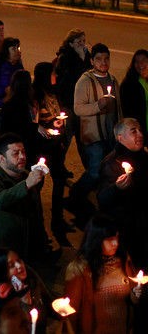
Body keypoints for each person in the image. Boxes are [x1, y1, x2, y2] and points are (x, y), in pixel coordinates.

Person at [67, 43, 121, 228]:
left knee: (109, 171)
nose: (103, 62)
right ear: (91, 61)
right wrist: (97, 105)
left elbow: (118, 108)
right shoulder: (85, 81)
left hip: (111, 134)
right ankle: (76, 195)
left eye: (106, 58)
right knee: (95, 171)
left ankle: (103, 205)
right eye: (98, 58)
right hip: (94, 135)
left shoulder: (113, 80)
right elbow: (77, 108)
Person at [65, 214, 142, 334]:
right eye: (110, 239)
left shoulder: (123, 260)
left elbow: (133, 294)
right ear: (96, 240)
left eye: (116, 238)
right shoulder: (79, 269)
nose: (115, 243)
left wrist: (135, 295)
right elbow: (71, 313)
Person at [0, 133, 47, 262]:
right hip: (7, 247)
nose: (22, 157)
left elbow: (36, 209)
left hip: (29, 245)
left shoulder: (27, 176)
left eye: (23, 152)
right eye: (15, 154)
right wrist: (26, 185)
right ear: (2, 158)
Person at [97, 118, 148, 268]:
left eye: (140, 130)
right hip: (130, 227)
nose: (140, 134)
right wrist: (116, 188)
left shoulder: (142, 156)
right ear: (120, 138)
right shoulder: (111, 163)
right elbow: (102, 198)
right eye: (133, 131)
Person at [31, 63, 71, 242]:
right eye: (53, 72)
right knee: (38, 185)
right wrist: (43, 127)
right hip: (42, 147)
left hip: (54, 144)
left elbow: (52, 116)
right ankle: (37, 224)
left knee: (60, 178)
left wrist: (56, 123)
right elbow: (34, 121)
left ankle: (57, 219)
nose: (55, 74)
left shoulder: (52, 92)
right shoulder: (35, 95)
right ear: (46, 75)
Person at [0, 248, 57, 334]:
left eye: (19, 260)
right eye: (11, 265)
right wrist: (25, 303)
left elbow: (48, 301)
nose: (19, 265)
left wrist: (62, 310)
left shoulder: (29, 276)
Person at [54, 29, 91, 169]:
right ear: (70, 44)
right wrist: (82, 59)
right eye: (79, 41)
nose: (82, 44)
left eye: (83, 40)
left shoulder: (86, 55)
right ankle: (58, 170)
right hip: (69, 105)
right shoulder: (65, 58)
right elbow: (72, 78)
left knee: (83, 142)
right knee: (65, 140)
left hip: (82, 105)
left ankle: (89, 170)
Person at [120, 49, 148, 136]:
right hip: (139, 131)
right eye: (137, 61)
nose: (140, 64)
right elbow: (126, 111)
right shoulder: (129, 83)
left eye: (143, 60)